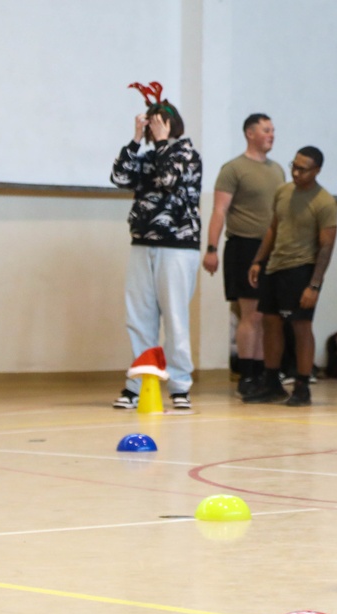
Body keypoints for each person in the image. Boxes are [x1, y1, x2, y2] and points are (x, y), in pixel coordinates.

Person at [110, 85, 202, 410]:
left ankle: (180, 386)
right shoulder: (148, 156)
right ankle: (136, 384)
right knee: (139, 317)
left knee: (175, 317)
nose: (153, 127)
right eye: (150, 123)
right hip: (142, 243)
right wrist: (136, 139)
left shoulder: (188, 155)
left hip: (177, 247)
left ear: (171, 125)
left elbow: (167, 180)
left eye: (158, 123)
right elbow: (120, 177)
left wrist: (162, 142)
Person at [243, 146, 337, 407]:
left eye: (302, 169)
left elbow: (326, 247)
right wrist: (258, 260)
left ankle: (302, 386)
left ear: (317, 171)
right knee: (270, 324)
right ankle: (272, 382)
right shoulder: (283, 192)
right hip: (275, 268)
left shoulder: (325, 202)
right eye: (293, 166)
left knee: (301, 327)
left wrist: (314, 285)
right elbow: (273, 228)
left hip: (302, 270)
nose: (295, 172)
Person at [203, 114, 286, 397]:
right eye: (266, 130)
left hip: (271, 250)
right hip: (244, 247)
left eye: (273, 130)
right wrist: (212, 249)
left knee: (266, 315)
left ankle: (265, 374)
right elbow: (219, 211)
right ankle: (247, 375)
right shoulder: (233, 168)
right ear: (250, 133)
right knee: (251, 315)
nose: (272, 134)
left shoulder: (278, 170)